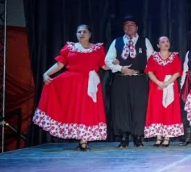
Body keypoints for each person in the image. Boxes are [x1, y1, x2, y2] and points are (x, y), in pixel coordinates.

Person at [33, 24, 108, 151]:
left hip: (89, 83)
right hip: (72, 83)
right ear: (76, 34)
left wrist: (117, 65)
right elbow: (59, 65)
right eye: (79, 32)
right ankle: (78, 137)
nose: (81, 34)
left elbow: (105, 65)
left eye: (84, 32)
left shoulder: (97, 49)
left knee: (87, 111)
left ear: (90, 34)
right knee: (73, 109)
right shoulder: (70, 48)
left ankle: (84, 140)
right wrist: (46, 74)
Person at [105, 16, 154, 148]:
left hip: (139, 79)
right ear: (123, 28)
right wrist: (120, 68)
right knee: (121, 108)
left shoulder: (144, 41)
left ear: (137, 28)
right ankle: (124, 136)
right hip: (121, 79)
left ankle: (138, 136)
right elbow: (108, 60)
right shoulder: (117, 41)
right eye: (126, 25)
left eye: (132, 25)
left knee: (139, 107)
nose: (129, 27)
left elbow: (153, 59)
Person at [143, 36, 183, 147]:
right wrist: (159, 83)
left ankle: (167, 136)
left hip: (170, 85)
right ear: (157, 45)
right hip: (156, 87)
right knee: (157, 110)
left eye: (167, 41)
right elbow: (150, 72)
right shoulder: (153, 57)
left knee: (169, 109)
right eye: (162, 42)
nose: (165, 43)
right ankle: (158, 136)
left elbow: (177, 72)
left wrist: (167, 83)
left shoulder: (174, 56)